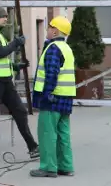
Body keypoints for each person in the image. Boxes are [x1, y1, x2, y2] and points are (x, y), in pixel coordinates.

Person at [0, 6, 39, 161]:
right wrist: (16, 43)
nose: (6, 19)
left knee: (20, 111)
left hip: (4, 81)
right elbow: (1, 52)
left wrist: (17, 66)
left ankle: (33, 147)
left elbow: (1, 60)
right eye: (3, 16)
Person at [30, 16, 75, 178]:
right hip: (66, 97)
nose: (47, 30)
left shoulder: (53, 48)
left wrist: (47, 94)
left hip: (52, 98)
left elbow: (51, 73)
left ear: (55, 31)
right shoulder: (67, 48)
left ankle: (48, 167)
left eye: (49, 27)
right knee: (63, 133)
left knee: (47, 132)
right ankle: (66, 166)